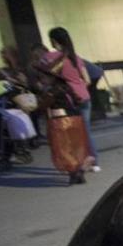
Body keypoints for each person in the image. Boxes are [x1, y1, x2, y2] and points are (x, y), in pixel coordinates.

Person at [39, 27, 100, 172]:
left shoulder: (50, 57)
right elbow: (87, 80)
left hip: (67, 99)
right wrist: (78, 88)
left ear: (53, 41)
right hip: (84, 97)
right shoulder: (75, 57)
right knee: (86, 130)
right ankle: (94, 161)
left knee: (71, 133)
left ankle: (76, 163)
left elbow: (43, 77)